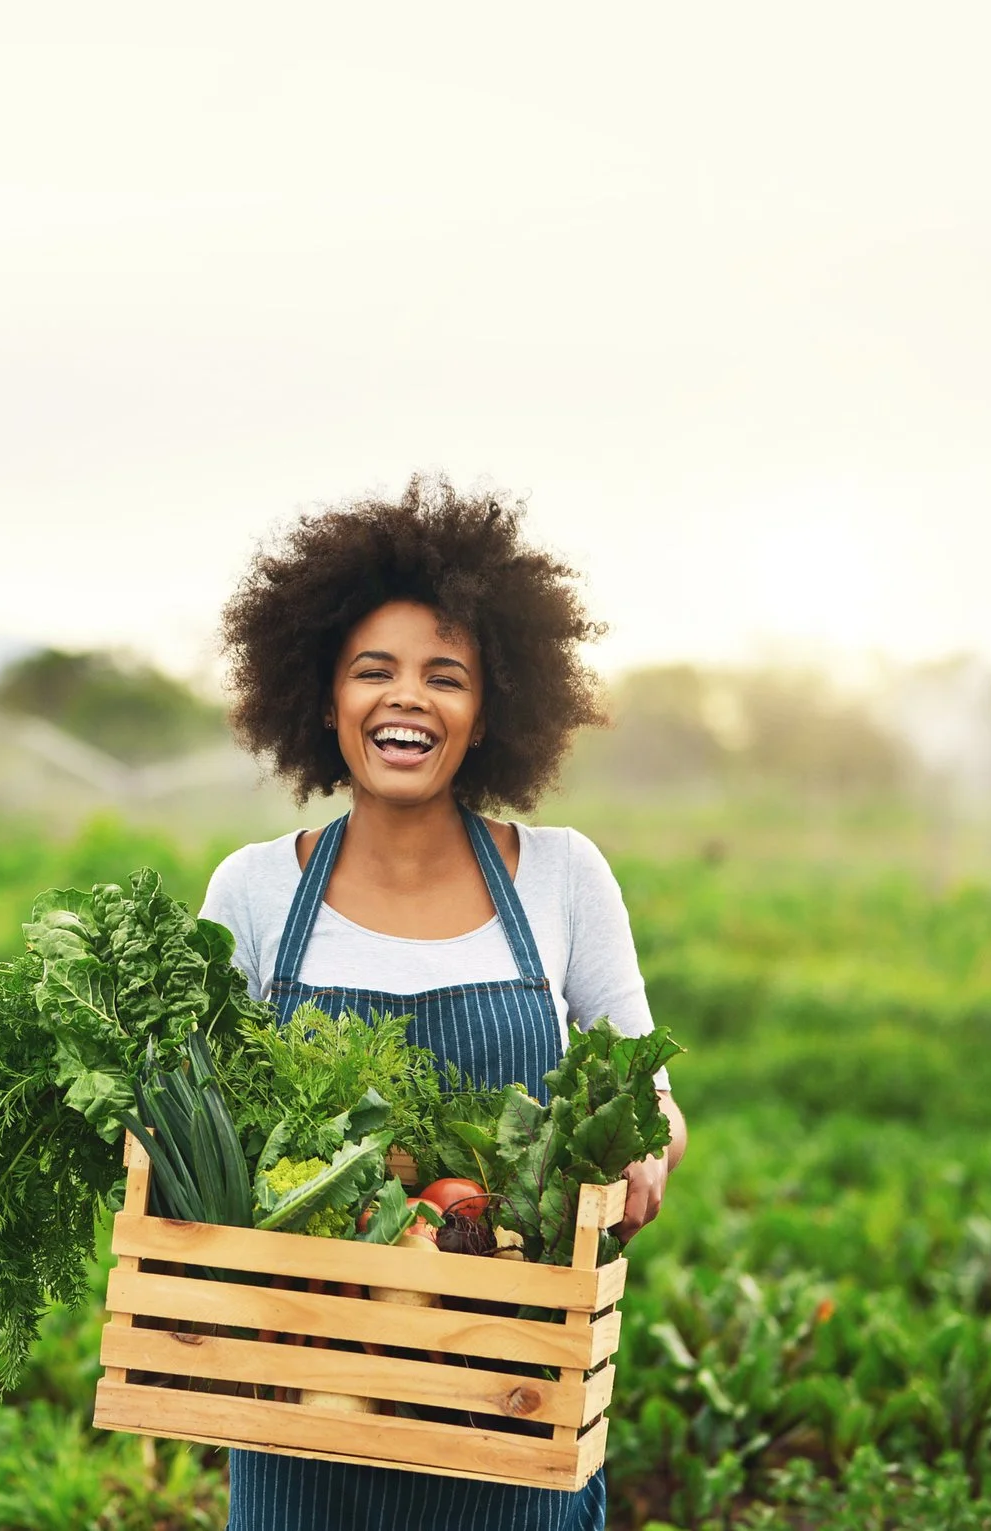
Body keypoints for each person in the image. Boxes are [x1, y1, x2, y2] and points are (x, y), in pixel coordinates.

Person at [199, 477, 685, 1531]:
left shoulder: (560, 874)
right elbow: (205, 1127)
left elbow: (642, 1080)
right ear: (323, 699)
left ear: (491, 707)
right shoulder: (251, 890)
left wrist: (651, 1141)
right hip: (306, 1418)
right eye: (372, 671)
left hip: (508, 1401)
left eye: (445, 676)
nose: (405, 698)